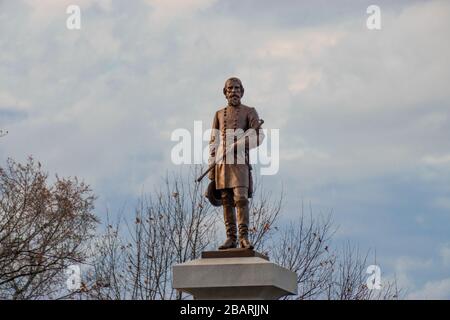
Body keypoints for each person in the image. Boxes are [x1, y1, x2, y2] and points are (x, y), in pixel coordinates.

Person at [208, 77, 264, 250]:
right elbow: (213, 140)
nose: (234, 91)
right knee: (226, 199)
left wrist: (239, 144)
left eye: (237, 88)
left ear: (242, 91)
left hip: (240, 162)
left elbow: (259, 137)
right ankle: (230, 237)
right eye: (230, 88)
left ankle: (244, 237)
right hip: (222, 163)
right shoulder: (218, 114)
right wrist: (211, 163)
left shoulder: (250, 111)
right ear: (225, 92)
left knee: (240, 198)